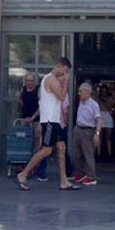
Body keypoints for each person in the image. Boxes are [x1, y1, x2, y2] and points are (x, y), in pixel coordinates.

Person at [15, 58, 79, 191]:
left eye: (67, 73)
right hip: (49, 121)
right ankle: (23, 173)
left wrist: (62, 82)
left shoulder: (53, 80)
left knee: (61, 147)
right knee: (46, 150)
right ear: (60, 66)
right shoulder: (50, 79)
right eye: (65, 71)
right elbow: (62, 97)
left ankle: (63, 181)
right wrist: (66, 81)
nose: (65, 74)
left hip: (55, 120)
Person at [69, 81, 101, 186]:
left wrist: (97, 134)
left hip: (88, 130)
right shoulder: (81, 102)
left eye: (80, 91)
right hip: (78, 129)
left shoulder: (94, 104)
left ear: (87, 92)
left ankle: (92, 177)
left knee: (88, 155)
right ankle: (82, 173)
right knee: (75, 155)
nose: (78, 93)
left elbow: (99, 120)